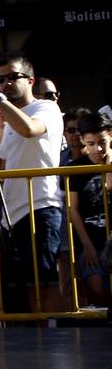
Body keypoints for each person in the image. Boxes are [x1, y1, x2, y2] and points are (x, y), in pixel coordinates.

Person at [0, 56, 65, 314]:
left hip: (41, 205)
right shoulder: (9, 121)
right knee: (26, 284)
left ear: (30, 80)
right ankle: (36, 339)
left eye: (13, 77)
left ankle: (52, 338)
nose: (6, 84)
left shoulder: (45, 108)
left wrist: (2, 104)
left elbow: (30, 129)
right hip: (14, 213)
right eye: (1, 80)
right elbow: (2, 162)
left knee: (44, 280)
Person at [71, 112, 111, 307]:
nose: (98, 149)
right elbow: (73, 209)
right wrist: (87, 245)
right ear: (83, 142)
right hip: (91, 239)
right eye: (91, 143)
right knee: (96, 288)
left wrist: (108, 163)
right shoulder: (76, 168)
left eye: (102, 141)